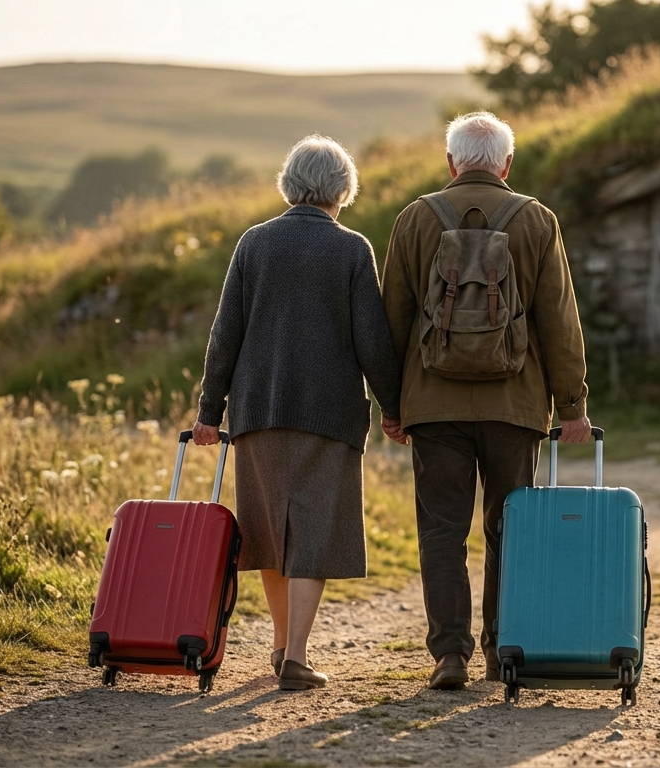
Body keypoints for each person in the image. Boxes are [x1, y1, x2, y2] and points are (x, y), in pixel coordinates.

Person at [380, 111, 591, 690]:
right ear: (506, 164)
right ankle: (504, 648)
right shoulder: (537, 220)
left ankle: (450, 654)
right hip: (514, 404)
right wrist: (571, 407)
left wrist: (391, 404)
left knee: (442, 531)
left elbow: (391, 322)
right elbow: (559, 322)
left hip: (433, 404)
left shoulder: (415, 219)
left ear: (451, 162)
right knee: (510, 527)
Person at [192, 134, 401, 691]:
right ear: (342, 189)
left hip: (257, 411)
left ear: (290, 183)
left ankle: (282, 645)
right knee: (313, 534)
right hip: (327, 416)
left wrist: (210, 412)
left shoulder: (253, 243)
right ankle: (296, 658)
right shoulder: (352, 249)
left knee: (266, 533)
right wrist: (395, 409)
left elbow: (224, 336)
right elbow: (372, 342)